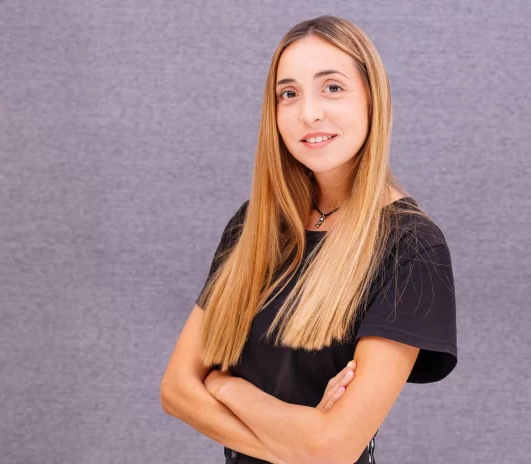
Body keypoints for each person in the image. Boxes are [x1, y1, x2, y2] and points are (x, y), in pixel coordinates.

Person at [160, 15, 457, 464]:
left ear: (373, 99)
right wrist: (301, 445)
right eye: (289, 94)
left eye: (332, 87)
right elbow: (176, 390)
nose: (309, 113)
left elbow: (334, 448)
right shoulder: (255, 225)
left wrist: (224, 386)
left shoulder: (410, 247)